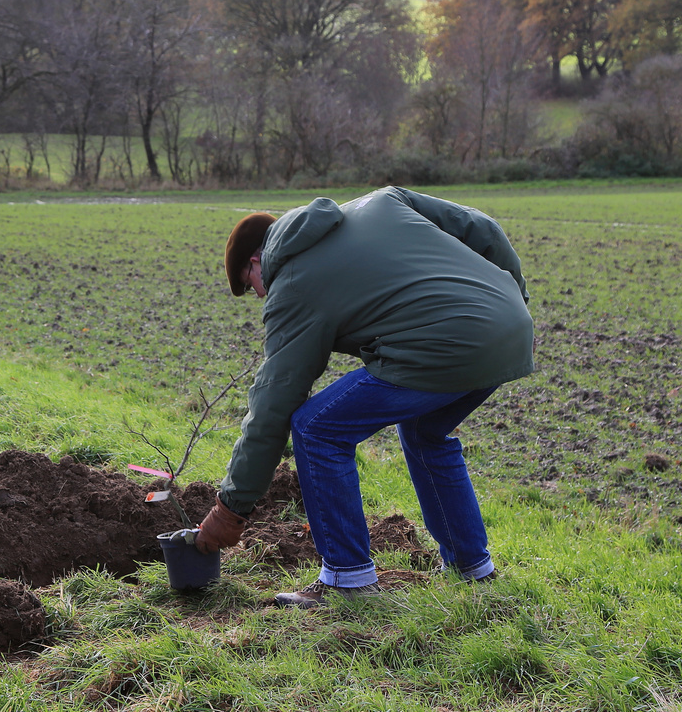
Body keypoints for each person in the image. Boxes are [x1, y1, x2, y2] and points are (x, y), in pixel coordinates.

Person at [193, 186, 533, 608]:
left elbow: (273, 402)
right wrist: (512, 296)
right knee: (426, 433)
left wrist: (230, 509)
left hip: (446, 344)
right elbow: (481, 227)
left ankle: (347, 577)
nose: (260, 296)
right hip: (511, 328)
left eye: (251, 284)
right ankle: (472, 569)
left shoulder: (294, 283)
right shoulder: (382, 202)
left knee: (316, 428)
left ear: (257, 261)